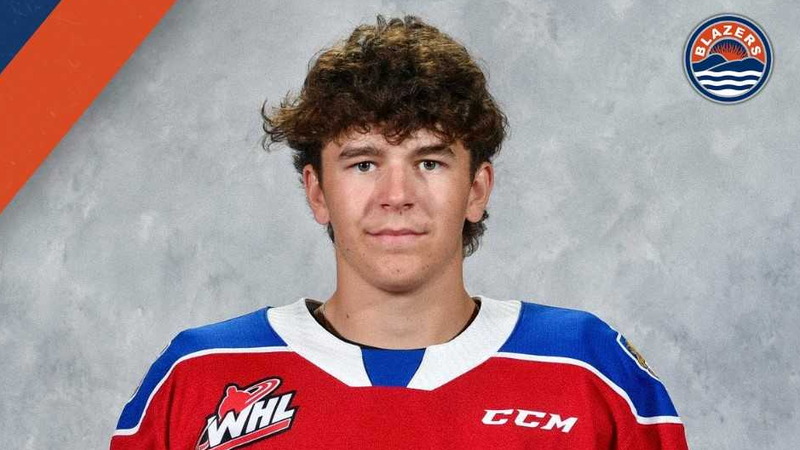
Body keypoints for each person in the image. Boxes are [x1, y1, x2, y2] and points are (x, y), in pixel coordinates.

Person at [110, 15, 688, 450]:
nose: (396, 194)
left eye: (429, 162)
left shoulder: (588, 371)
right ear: (317, 192)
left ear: (477, 189)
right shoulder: (199, 374)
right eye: (363, 163)